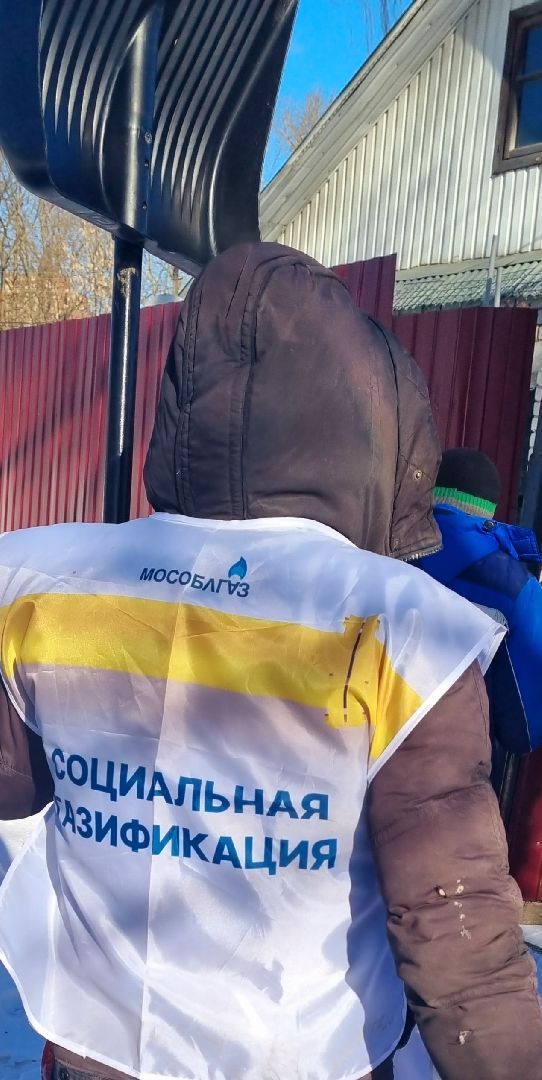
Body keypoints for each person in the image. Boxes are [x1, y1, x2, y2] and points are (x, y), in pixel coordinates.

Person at [0, 242, 541, 1080]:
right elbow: (455, 929)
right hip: (301, 1053)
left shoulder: (43, 578)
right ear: (376, 433)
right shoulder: (401, 627)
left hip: (94, 1046)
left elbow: (15, 785)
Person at [418, 447, 542, 792]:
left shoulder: (377, 552)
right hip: (455, 786)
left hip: (360, 770)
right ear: (488, 511)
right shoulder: (518, 589)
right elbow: (523, 731)